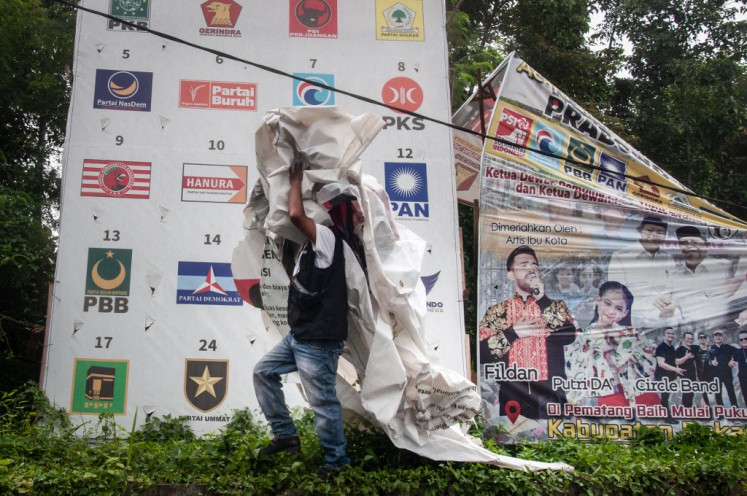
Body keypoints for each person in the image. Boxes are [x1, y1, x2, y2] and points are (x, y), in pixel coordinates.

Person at [253, 163, 365, 477]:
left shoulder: (328, 239)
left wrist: (296, 179)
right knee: (263, 372)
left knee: (323, 402)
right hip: (301, 336)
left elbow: (295, 215)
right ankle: (286, 436)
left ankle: (337, 463)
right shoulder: (308, 246)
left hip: (318, 342)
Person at [479, 246, 576, 420]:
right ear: (511, 274)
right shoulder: (497, 311)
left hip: (550, 395)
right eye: (524, 265)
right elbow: (482, 353)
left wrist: (543, 300)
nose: (531, 269)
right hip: (511, 394)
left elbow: (568, 336)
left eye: (535, 265)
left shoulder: (555, 306)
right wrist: (512, 333)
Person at [565, 281, 658, 408]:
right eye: (607, 303)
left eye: (618, 308)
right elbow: (572, 372)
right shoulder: (580, 337)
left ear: (625, 313)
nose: (611, 311)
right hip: (603, 400)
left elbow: (651, 368)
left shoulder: (632, 335)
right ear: (598, 301)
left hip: (641, 397)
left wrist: (622, 343)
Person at [607, 216, 678, 329]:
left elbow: (675, 291)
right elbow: (617, 297)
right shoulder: (621, 256)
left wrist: (672, 307)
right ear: (639, 230)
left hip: (667, 323)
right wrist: (655, 314)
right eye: (649, 230)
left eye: (660, 232)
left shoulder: (668, 258)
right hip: (634, 323)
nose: (654, 235)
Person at [672, 226, 732, 329]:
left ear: (707, 245)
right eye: (684, 243)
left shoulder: (724, 268)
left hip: (722, 332)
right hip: (689, 336)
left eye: (694, 242)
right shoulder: (675, 276)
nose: (689, 247)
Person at [654, 327, 684, 418]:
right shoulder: (661, 347)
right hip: (662, 376)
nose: (670, 335)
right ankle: (667, 417)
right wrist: (676, 369)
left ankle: (670, 415)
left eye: (672, 334)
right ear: (664, 335)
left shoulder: (671, 347)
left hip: (670, 376)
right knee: (664, 397)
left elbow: (674, 361)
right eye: (668, 333)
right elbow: (661, 364)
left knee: (669, 396)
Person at [710, 328, 738, 408]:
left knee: (731, 392)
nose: (718, 337)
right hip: (716, 375)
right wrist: (711, 362)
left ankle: (735, 410)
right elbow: (706, 360)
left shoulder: (728, 347)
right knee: (718, 393)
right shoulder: (710, 348)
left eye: (720, 335)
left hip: (727, 374)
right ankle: (720, 412)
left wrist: (733, 360)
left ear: (722, 337)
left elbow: (738, 352)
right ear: (713, 337)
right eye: (716, 335)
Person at [675, 332, 697, 408]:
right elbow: (677, 361)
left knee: (691, 394)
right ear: (684, 339)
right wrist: (686, 357)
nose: (689, 340)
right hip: (684, 375)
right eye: (688, 338)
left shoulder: (693, 349)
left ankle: (689, 410)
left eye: (691, 339)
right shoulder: (680, 349)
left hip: (693, 375)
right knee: (686, 394)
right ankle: (685, 411)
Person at [692, 331, 714, 407]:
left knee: (711, 395)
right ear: (698, 339)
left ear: (706, 338)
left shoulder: (710, 349)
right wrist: (696, 375)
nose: (702, 339)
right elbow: (694, 363)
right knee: (702, 394)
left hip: (710, 376)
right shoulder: (695, 349)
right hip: (700, 376)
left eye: (704, 337)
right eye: (701, 337)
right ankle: (707, 411)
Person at [728, 328, 747, 408]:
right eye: (741, 339)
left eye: (745, 339)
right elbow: (731, 363)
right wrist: (730, 363)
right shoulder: (738, 352)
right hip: (743, 378)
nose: (743, 341)